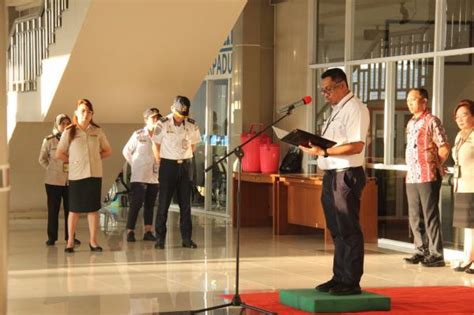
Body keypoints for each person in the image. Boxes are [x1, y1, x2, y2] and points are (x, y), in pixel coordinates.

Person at [299, 68, 370, 295]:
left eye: (328, 90)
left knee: (348, 228)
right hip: (331, 174)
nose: (326, 95)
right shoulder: (336, 110)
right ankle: (339, 276)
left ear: (342, 85)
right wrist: (317, 147)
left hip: (346, 174)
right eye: (323, 91)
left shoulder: (356, 108)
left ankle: (351, 281)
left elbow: (357, 145)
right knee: (336, 228)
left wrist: (325, 152)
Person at [56, 99, 112, 253]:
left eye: (89, 112)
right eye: (82, 111)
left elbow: (108, 151)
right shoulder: (69, 131)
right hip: (76, 176)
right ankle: (70, 242)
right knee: (74, 210)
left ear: (92, 114)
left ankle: (93, 242)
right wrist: (73, 161)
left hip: (94, 175)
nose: (85, 114)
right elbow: (59, 153)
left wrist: (94, 158)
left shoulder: (97, 131)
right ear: (76, 113)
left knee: (93, 210)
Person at [403, 88, 450, 267]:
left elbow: (444, 146)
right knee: (415, 215)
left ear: (424, 101)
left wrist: (435, 162)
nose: (409, 103)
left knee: (430, 214)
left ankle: (437, 254)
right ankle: (420, 250)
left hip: (428, 174)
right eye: (408, 100)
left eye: (413, 100)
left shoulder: (432, 121)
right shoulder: (410, 123)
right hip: (412, 175)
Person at [152, 96, 201, 249]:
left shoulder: (192, 125)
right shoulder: (163, 123)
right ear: (173, 109)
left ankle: (186, 239)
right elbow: (156, 144)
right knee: (164, 203)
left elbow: (193, 146)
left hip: (185, 166)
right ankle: (160, 239)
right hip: (168, 166)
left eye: (183, 116)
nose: (181, 118)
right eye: (179, 115)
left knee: (185, 205)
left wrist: (183, 156)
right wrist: (161, 161)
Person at [39, 114, 80, 246]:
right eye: (62, 123)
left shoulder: (74, 139)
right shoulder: (49, 140)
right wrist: (51, 169)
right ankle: (52, 237)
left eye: (68, 123)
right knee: (53, 210)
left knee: (71, 210)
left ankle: (70, 237)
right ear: (57, 125)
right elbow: (42, 159)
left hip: (70, 180)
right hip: (53, 181)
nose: (65, 126)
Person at [122, 108, 162, 242]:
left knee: (150, 205)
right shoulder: (138, 134)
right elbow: (126, 151)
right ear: (146, 120)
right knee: (136, 204)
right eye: (153, 118)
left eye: (157, 118)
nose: (156, 120)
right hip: (139, 176)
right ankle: (130, 231)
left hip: (154, 176)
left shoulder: (161, 134)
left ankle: (148, 231)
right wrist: (135, 164)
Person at [451, 99, 474, 274]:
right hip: (462, 184)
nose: (460, 119)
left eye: (464, 115)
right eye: (457, 116)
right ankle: (468, 257)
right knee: (468, 225)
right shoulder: (460, 136)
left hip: (473, 185)